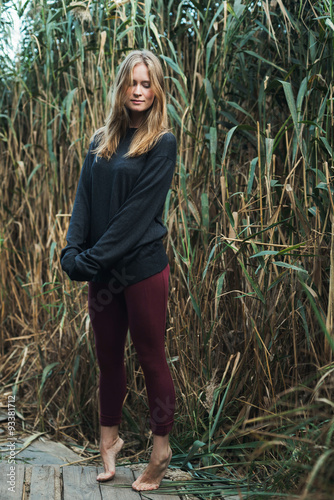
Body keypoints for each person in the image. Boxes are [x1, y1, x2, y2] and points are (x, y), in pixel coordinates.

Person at [60, 49, 177, 491]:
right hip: (103, 273)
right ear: (121, 87)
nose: (139, 91)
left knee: (150, 357)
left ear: (157, 88)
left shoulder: (162, 142)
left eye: (147, 83)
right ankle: (109, 441)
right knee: (108, 358)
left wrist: (89, 261)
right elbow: (83, 202)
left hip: (143, 269)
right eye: (133, 82)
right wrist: (73, 251)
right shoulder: (100, 141)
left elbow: (134, 218)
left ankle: (161, 449)